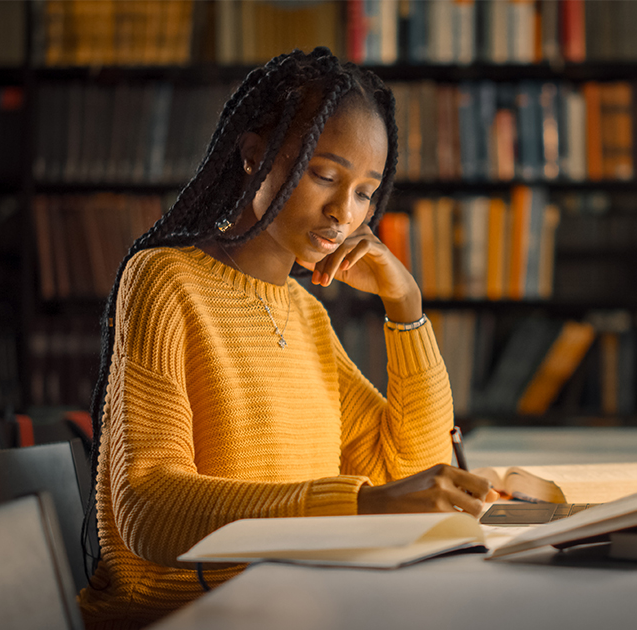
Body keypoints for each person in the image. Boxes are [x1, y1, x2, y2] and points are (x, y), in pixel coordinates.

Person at [76, 48, 495, 629]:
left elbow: (408, 471)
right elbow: (147, 509)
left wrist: (407, 310)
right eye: (325, 176)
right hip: (180, 616)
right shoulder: (166, 281)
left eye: (364, 192)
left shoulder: (305, 314)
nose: (342, 215)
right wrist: (354, 507)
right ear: (255, 157)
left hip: (295, 606)